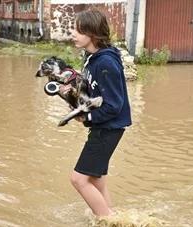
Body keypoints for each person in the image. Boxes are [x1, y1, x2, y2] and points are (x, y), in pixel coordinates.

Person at [69, 9, 132, 217]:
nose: (72, 34)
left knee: (78, 179)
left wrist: (87, 117)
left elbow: (114, 104)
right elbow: (92, 90)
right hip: (103, 127)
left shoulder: (106, 62)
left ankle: (108, 220)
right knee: (96, 179)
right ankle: (109, 215)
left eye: (78, 30)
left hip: (108, 129)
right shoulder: (92, 57)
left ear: (92, 33)